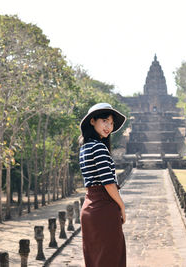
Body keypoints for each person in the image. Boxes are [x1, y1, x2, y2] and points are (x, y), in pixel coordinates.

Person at [79, 102, 127, 267]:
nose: (109, 126)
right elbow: (108, 183)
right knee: (111, 259)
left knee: (95, 260)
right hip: (104, 208)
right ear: (92, 121)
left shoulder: (84, 147)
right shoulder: (99, 148)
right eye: (105, 121)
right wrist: (121, 206)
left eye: (112, 123)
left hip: (89, 208)